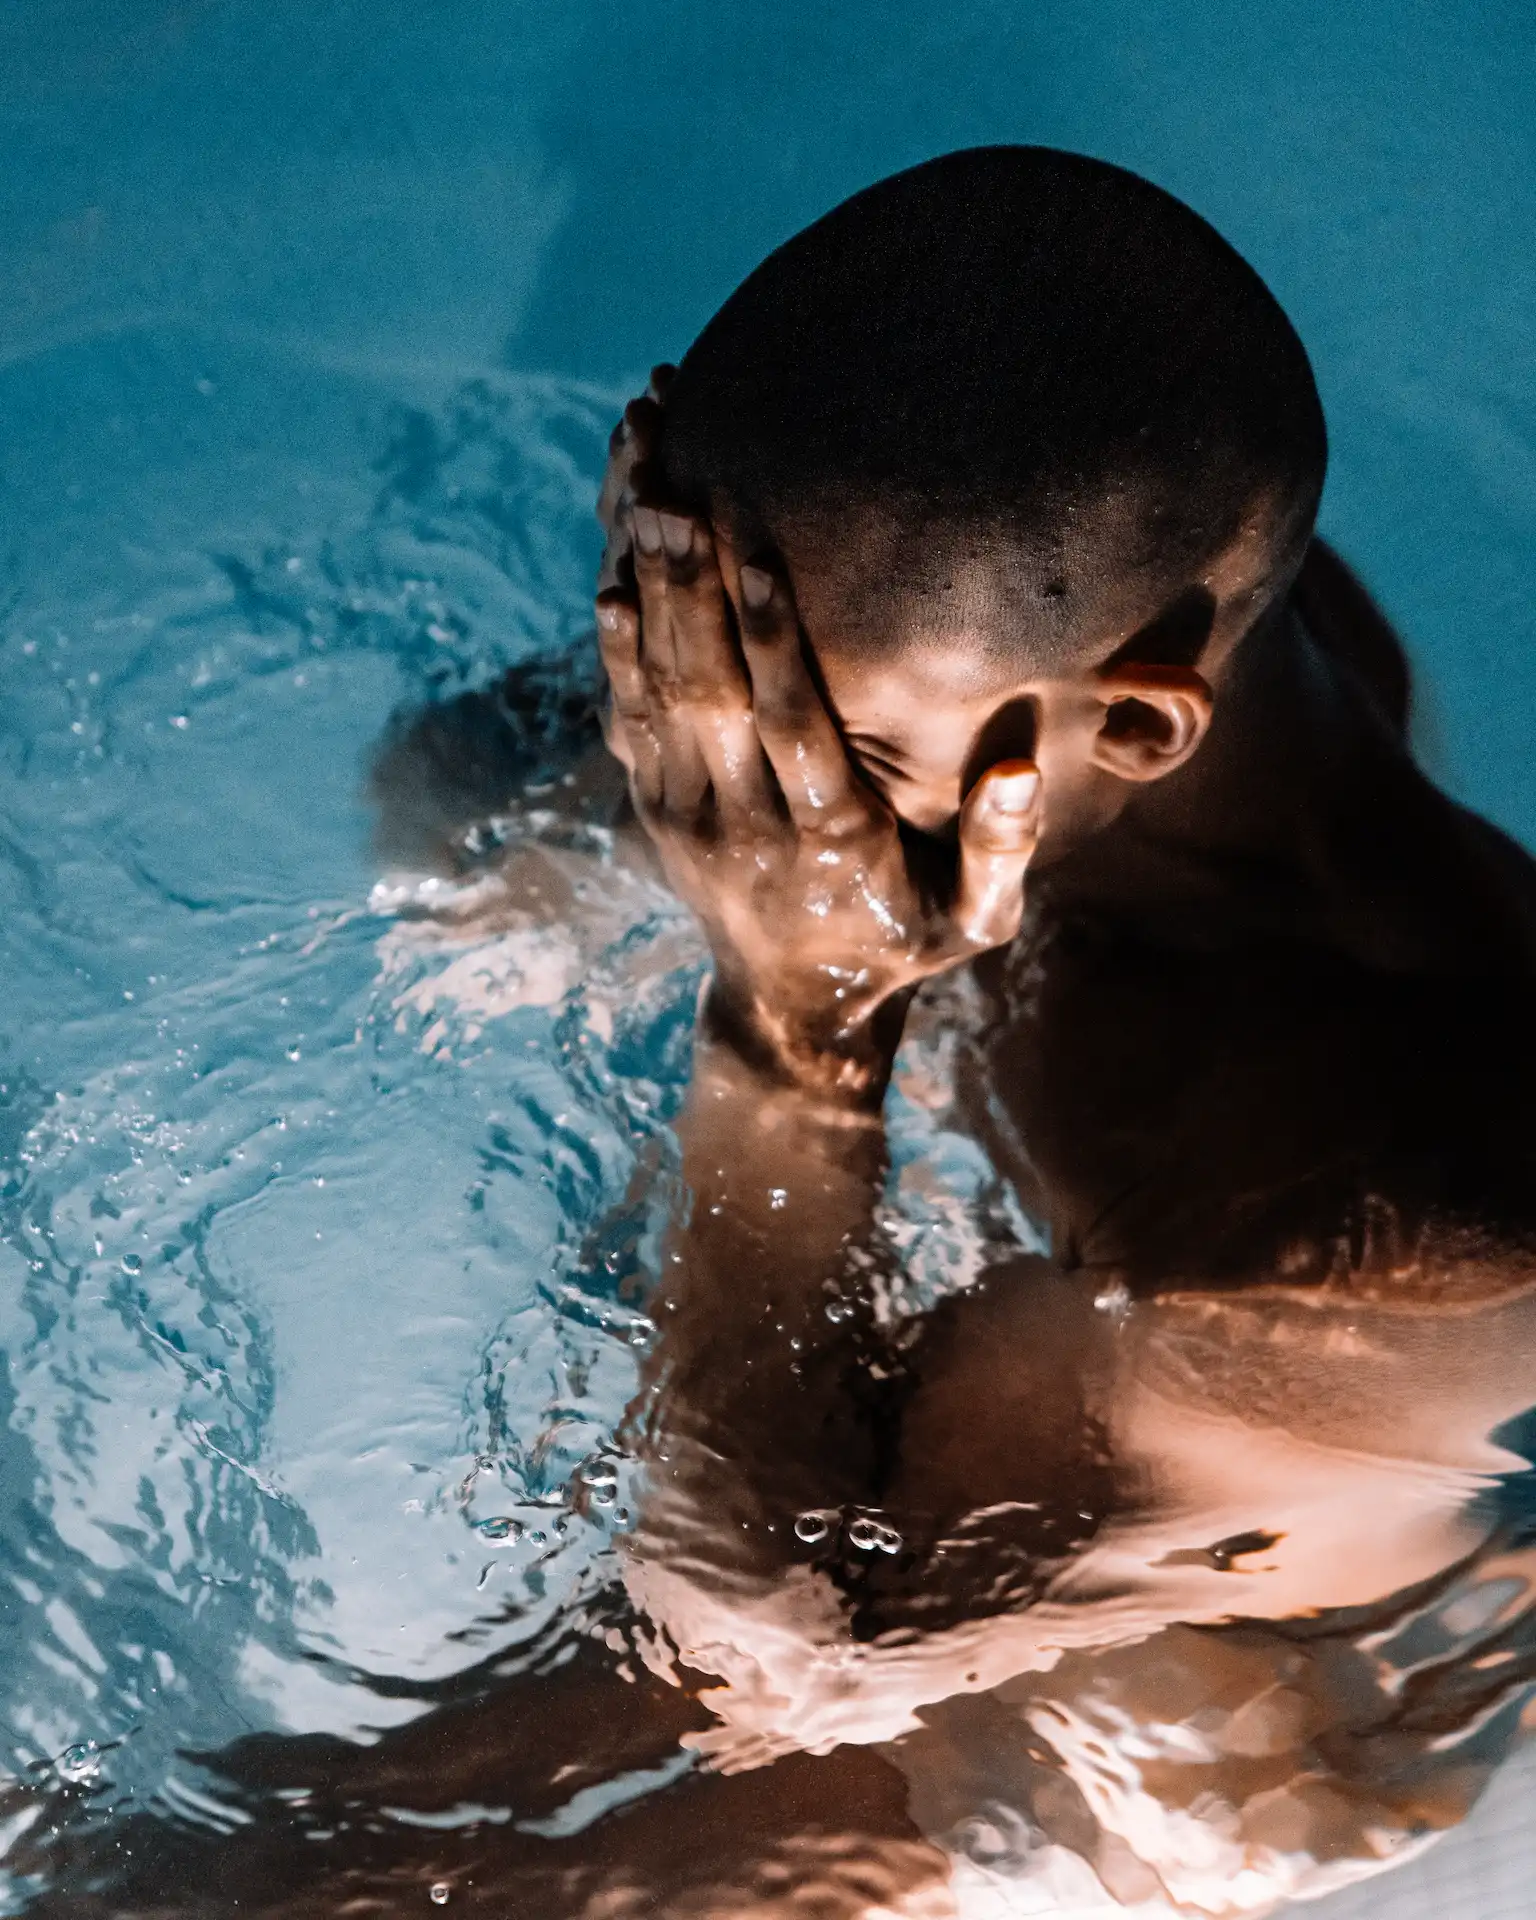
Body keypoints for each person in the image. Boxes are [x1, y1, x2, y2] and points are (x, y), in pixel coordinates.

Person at [20, 146, 1536, 1918]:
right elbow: (452, 829)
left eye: (837, 756)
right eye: (725, 682)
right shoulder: (1130, 621)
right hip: (977, 1464)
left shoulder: (1339, 1234)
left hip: (1170, 1697)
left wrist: (798, 1028)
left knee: (228, 1892)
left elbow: (763, 1651)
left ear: (1134, 728)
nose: (757, 773)